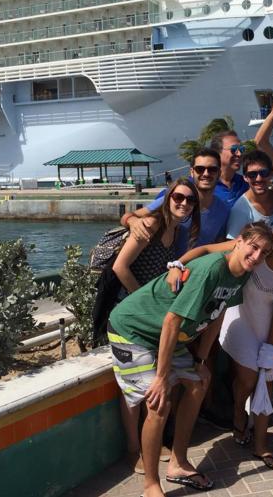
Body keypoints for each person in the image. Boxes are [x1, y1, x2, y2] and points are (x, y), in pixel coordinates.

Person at [108, 223, 273, 497]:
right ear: (239, 241)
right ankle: (151, 485)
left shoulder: (242, 274)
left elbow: (217, 313)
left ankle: (179, 463)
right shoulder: (212, 269)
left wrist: (200, 359)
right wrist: (161, 377)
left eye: (264, 252)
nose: (256, 256)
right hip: (133, 330)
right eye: (253, 247)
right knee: (159, 402)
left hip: (166, 334)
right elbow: (172, 321)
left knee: (199, 382)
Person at [169, 217, 273, 468]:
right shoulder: (258, 249)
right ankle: (239, 413)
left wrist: (271, 348)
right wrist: (177, 265)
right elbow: (206, 249)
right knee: (248, 379)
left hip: (264, 327)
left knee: (266, 380)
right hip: (236, 321)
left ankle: (260, 445)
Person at [111, 179, 200, 472]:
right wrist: (141, 299)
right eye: (178, 197)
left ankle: (152, 440)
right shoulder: (150, 225)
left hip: (152, 318)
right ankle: (133, 449)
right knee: (134, 390)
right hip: (130, 315)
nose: (184, 203)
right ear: (167, 198)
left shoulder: (178, 232)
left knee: (161, 384)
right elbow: (120, 266)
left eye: (190, 200)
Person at [122, 149, 230, 253]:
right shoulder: (175, 199)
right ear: (192, 172)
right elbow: (128, 216)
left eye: (212, 169)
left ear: (219, 173)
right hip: (166, 264)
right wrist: (133, 222)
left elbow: (218, 243)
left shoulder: (223, 210)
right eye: (200, 169)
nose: (206, 173)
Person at [226, 150, 273, 237]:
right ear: (245, 177)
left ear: (271, 174)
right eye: (252, 174)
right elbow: (233, 242)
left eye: (264, 173)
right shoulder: (240, 210)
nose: (258, 179)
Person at [210, 130, 249, 208]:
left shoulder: (245, 183)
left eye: (241, 149)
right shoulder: (206, 186)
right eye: (234, 149)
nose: (239, 154)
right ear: (217, 153)